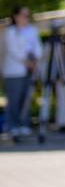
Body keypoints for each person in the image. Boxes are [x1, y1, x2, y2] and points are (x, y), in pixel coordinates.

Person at [2, 8, 40, 143]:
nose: (26, 18)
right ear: (16, 16)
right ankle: (12, 126)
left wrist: (35, 61)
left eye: (27, 15)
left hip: (29, 69)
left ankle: (24, 124)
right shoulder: (10, 32)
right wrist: (27, 62)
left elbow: (37, 47)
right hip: (14, 71)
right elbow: (13, 51)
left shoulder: (32, 30)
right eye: (23, 15)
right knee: (14, 99)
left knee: (26, 97)